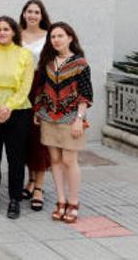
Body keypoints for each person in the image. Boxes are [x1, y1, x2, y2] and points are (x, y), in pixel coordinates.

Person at [33, 22, 92, 224]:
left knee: (69, 160)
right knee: (55, 161)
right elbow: (41, 90)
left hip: (71, 118)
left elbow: (85, 94)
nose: (56, 40)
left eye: (60, 36)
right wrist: (38, 112)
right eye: (52, 37)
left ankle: (73, 203)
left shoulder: (80, 64)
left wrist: (79, 119)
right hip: (49, 118)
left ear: (70, 38)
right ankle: (61, 200)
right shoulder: (48, 62)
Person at [0, 16, 34, 219]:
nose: (2, 33)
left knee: (16, 158)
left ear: (14, 32)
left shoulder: (25, 55)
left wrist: (8, 108)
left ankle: (14, 200)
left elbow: (25, 87)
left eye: (6, 29)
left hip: (19, 111)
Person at [19, 0, 51, 211]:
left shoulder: (49, 36)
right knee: (23, 138)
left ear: (42, 15)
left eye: (36, 12)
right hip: (20, 87)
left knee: (40, 139)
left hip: (41, 86)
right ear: (23, 14)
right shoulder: (16, 34)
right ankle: (29, 180)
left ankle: (39, 186)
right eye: (29, 11)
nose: (32, 15)